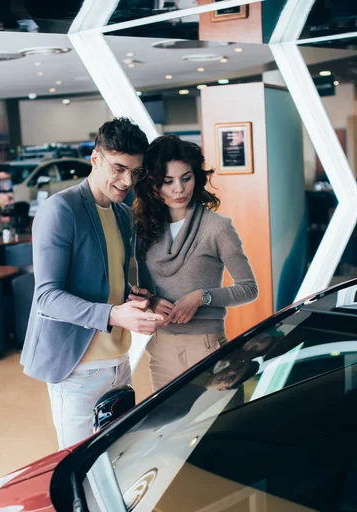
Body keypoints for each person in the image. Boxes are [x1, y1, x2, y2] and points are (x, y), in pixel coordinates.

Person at [21, 117, 164, 449]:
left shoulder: (121, 215)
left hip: (118, 362)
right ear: (95, 159)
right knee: (79, 465)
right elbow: (47, 297)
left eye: (135, 171)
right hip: (76, 368)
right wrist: (115, 315)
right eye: (118, 168)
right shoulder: (61, 210)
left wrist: (139, 298)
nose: (127, 180)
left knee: (116, 459)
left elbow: (107, 283)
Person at [131, 134, 258, 391]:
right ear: (154, 186)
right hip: (161, 346)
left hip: (206, 346)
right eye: (168, 182)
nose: (179, 189)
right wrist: (152, 301)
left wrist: (202, 297)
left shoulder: (218, 227)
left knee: (216, 429)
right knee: (168, 430)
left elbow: (249, 288)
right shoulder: (144, 228)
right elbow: (141, 287)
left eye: (186, 178)